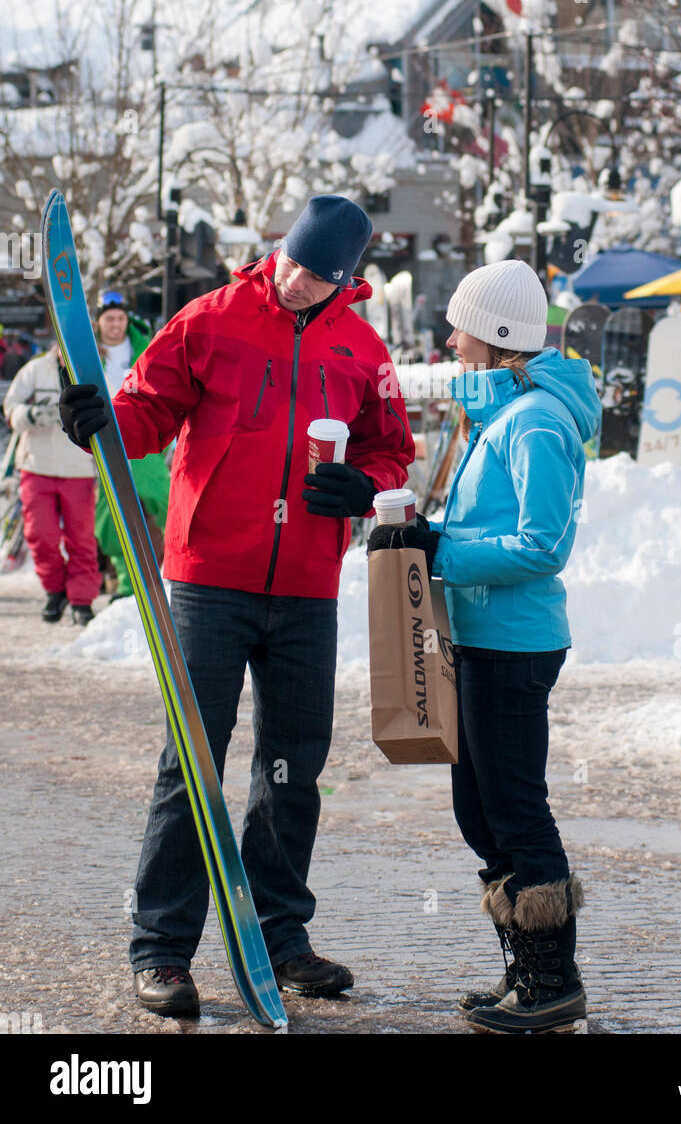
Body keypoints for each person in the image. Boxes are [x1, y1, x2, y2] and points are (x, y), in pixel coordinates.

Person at [60, 194, 414, 1019]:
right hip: (209, 577)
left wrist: (365, 483)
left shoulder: (362, 349)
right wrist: (99, 420)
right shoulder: (209, 320)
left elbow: (392, 451)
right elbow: (145, 415)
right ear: (276, 249)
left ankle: (279, 939)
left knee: (292, 768)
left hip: (305, 585)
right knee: (191, 759)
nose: (295, 283)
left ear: (344, 280)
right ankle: (162, 950)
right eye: (290, 263)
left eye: (316, 276)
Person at [368, 259, 600, 1034]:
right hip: (479, 638)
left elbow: (541, 545)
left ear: (496, 337)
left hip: (514, 644)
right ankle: (523, 970)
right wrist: (428, 537)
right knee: (480, 812)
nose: (446, 336)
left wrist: (440, 552)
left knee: (513, 808)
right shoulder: (502, 415)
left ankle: (551, 980)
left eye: (458, 324)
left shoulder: (534, 422)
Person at [3, 344, 100, 624]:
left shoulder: (91, 369)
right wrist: (30, 415)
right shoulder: (35, 369)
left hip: (78, 467)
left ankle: (82, 600)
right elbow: (10, 406)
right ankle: (55, 589)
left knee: (80, 537)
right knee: (41, 535)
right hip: (37, 464)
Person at [93, 291, 170, 598]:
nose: (115, 325)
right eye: (109, 319)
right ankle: (125, 585)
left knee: (160, 504)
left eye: (120, 318)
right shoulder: (87, 352)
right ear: (99, 322)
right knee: (113, 517)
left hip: (144, 442)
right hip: (103, 443)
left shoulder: (145, 347)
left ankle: (164, 579)